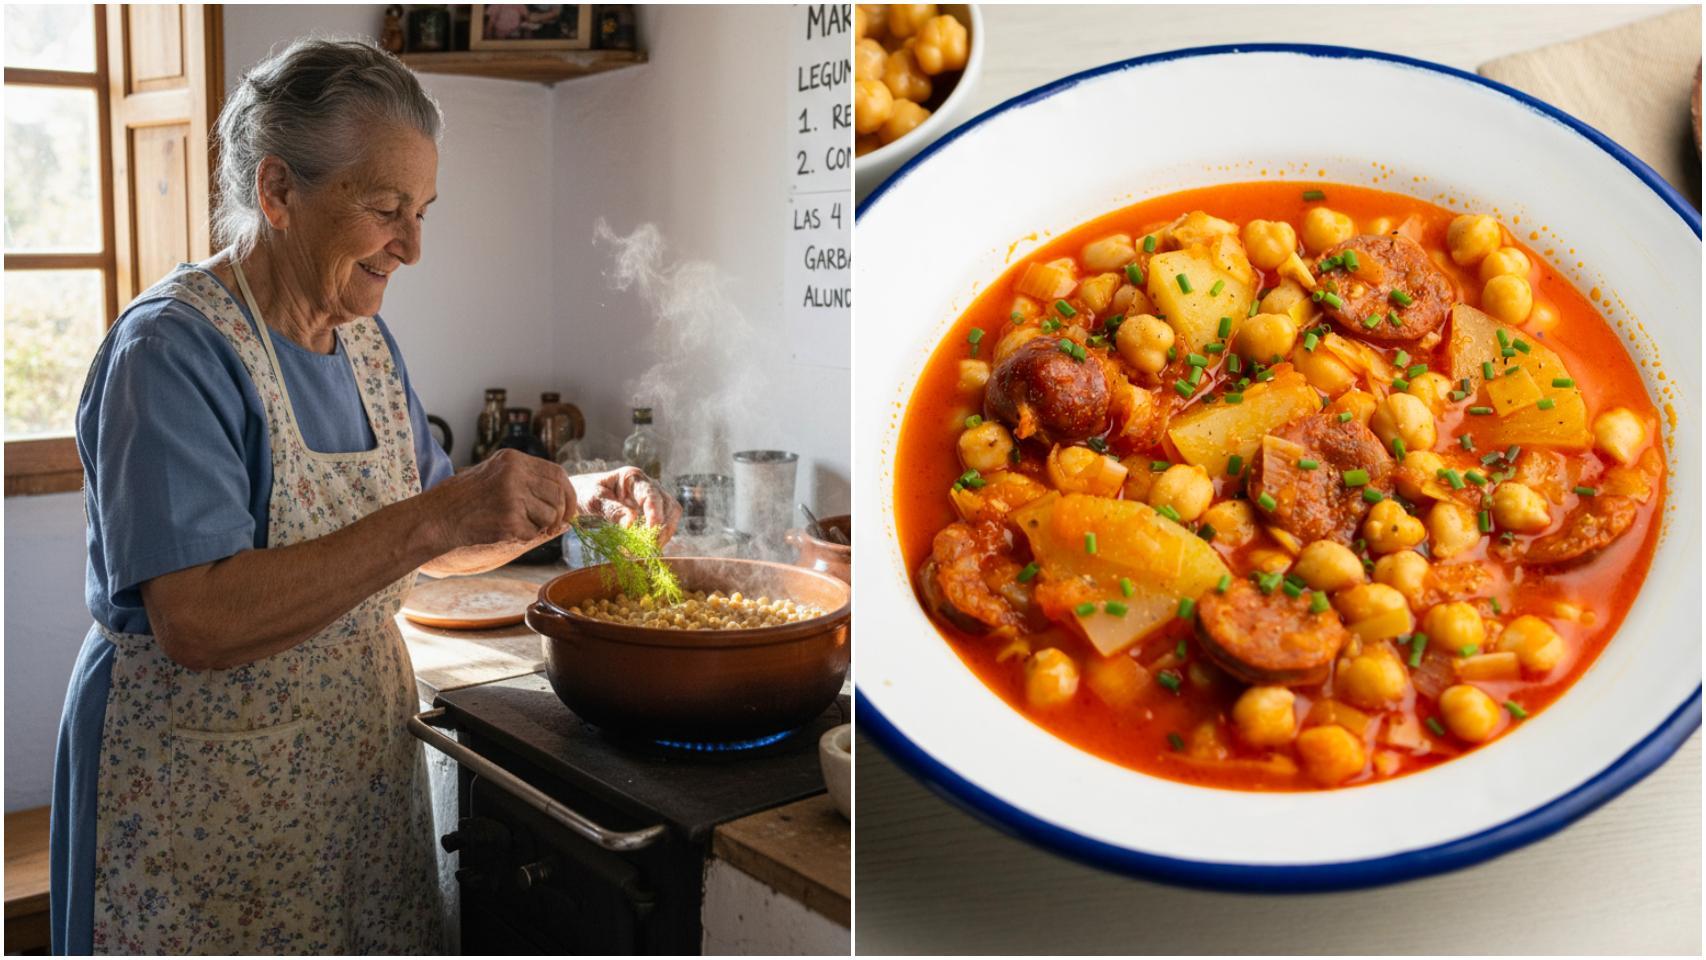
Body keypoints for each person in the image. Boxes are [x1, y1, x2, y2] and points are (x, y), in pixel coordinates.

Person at [48, 38, 679, 954]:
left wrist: (566, 497)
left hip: (346, 779)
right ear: (278, 193)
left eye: (422, 212)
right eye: (386, 209)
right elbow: (199, 619)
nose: (413, 247)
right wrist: (441, 511)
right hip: (199, 794)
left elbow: (433, 540)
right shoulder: (173, 354)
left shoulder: (365, 345)